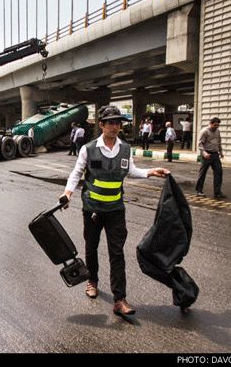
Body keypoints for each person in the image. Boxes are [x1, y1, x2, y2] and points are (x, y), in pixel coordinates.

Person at [61, 106, 170, 316]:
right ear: (101, 125)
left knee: (117, 253)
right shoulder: (88, 149)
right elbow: (76, 174)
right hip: (92, 209)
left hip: (115, 210)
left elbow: (131, 171)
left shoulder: (125, 148)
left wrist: (151, 172)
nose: (114, 126)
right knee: (91, 248)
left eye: (117, 122)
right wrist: (68, 194)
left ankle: (119, 299)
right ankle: (92, 281)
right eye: (110, 122)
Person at [196, 117, 227, 199]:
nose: (216, 127)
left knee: (219, 172)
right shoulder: (204, 131)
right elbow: (200, 144)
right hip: (207, 154)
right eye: (215, 125)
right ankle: (199, 190)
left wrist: (221, 152)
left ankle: (217, 192)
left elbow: (219, 142)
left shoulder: (217, 131)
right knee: (202, 173)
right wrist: (204, 152)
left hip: (215, 155)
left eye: (218, 125)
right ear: (210, 123)